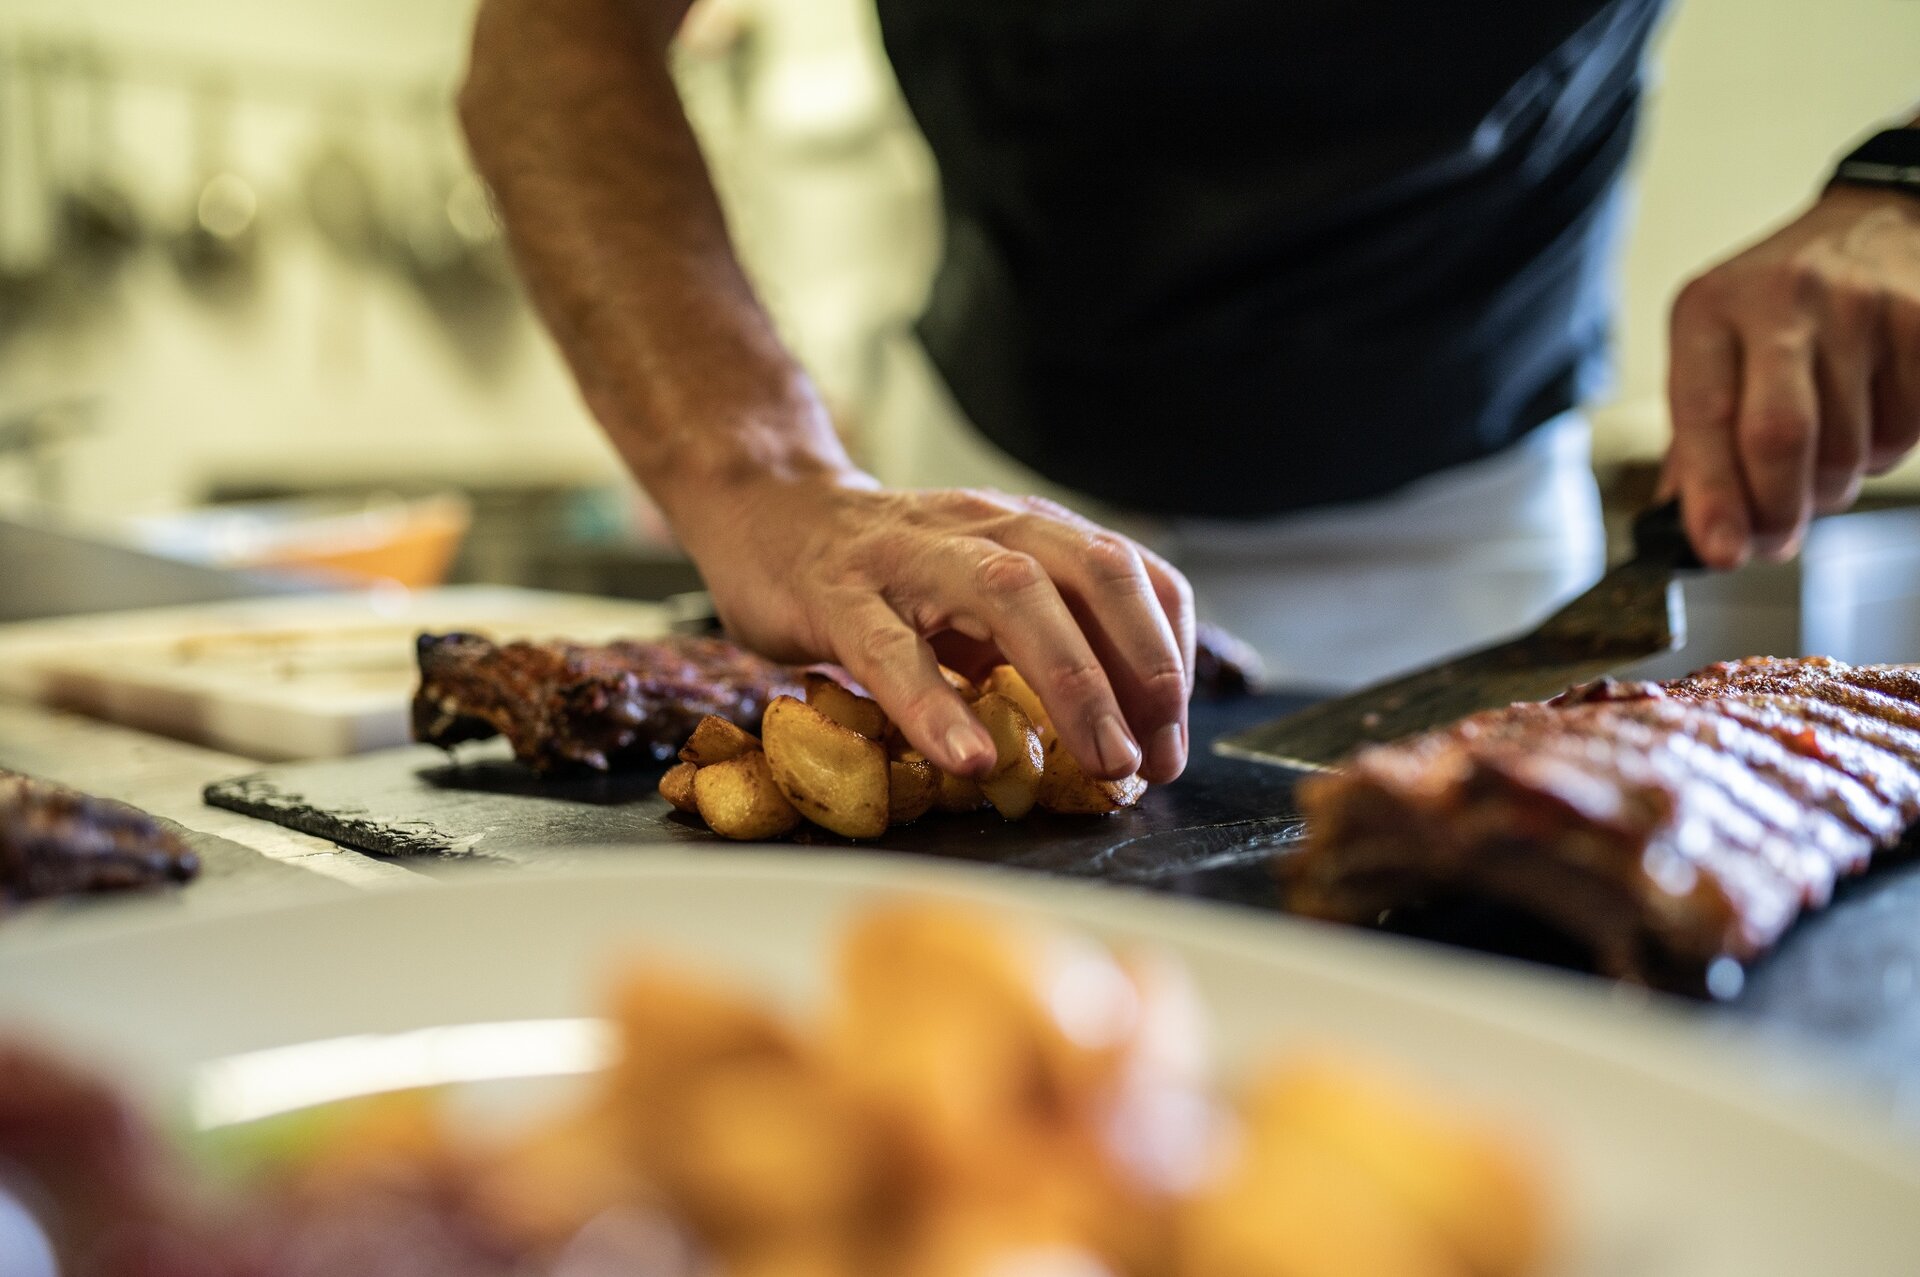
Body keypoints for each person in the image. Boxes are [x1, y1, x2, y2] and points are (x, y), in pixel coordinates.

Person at [458, 0, 1920, 788]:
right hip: (981, 523)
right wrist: (762, 477)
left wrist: (1902, 184)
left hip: (1468, 569)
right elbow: (555, 33)